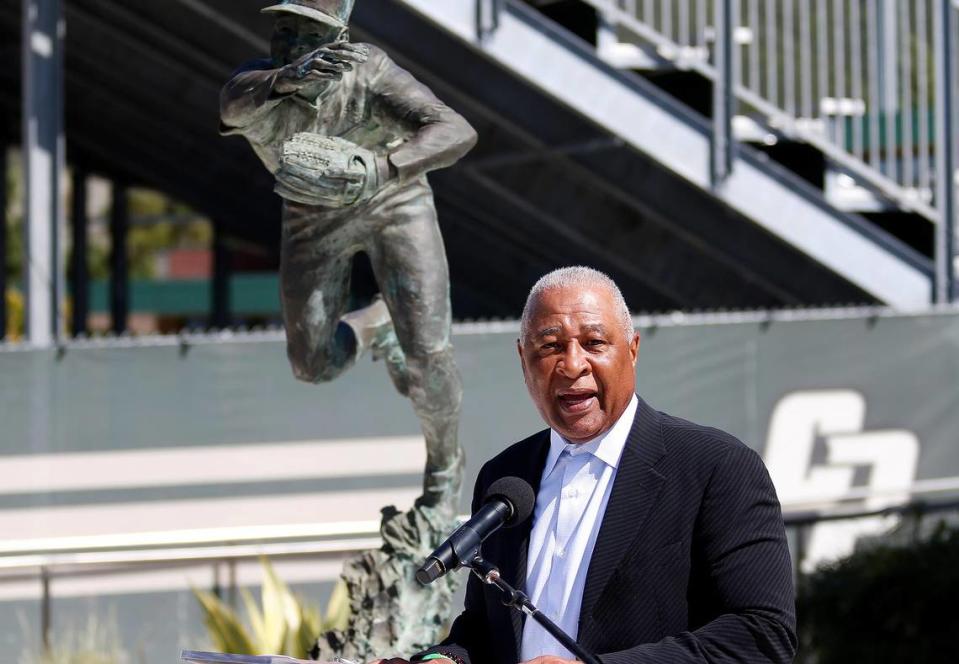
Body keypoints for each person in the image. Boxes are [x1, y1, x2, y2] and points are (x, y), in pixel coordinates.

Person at [380, 266, 797, 664]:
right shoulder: (506, 476)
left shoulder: (716, 467)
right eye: (550, 346)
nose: (572, 364)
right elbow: (487, 633)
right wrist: (445, 659)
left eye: (594, 343)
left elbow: (761, 636)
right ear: (523, 359)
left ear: (632, 350)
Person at [220, 0, 477, 508]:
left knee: (427, 354)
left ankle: (445, 469)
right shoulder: (257, 83)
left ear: (336, 38)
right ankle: (375, 324)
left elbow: (456, 131)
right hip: (311, 217)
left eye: (306, 30)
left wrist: (388, 166)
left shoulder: (367, 69)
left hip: (393, 201)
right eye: (284, 26)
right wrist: (286, 79)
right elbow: (231, 105)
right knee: (312, 364)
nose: (290, 39)